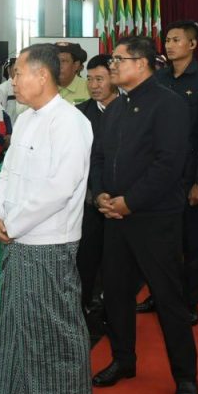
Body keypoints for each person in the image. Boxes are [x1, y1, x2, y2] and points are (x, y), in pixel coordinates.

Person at [0, 44, 94, 394]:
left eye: (18, 73)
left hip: (49, 238)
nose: (12, 80)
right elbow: (7, 174)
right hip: (17, 234)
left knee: (56, 324)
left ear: (42, 76)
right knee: (18, 319)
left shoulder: (70, 122)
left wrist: (13, 223)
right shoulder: (26, 118)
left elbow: (60, 188)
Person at [89, 36, 198, 394]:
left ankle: (186, 377)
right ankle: (124, 359)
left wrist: (130, 202)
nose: (113, 66)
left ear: (142, 63)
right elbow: (98, 157)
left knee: (168, 299)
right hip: (114, 217)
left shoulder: (168, 104)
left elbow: (169, 164)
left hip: (154, 219)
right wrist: (100, 195)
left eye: (119, 59)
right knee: (117, 293)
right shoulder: (116, 107)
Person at [141, 21, 198, 324]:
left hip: (189, 177)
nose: (169, 44)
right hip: (157, 177)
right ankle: (159, 295)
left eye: (176, 40)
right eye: (167, 39)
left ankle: (190, 301)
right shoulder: (158, 78)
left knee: (190, 242)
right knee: (158, 242)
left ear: (192, 44)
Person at [76, 54, 117, 316]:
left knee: (116, 259)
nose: (93, 85)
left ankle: (111, 303)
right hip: (89, 199)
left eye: (99, 79)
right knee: (87, 256)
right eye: (89, 79)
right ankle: (86, 304)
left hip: (121, 200)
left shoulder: (129, 109)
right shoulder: (80, 113)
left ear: (114, 78)